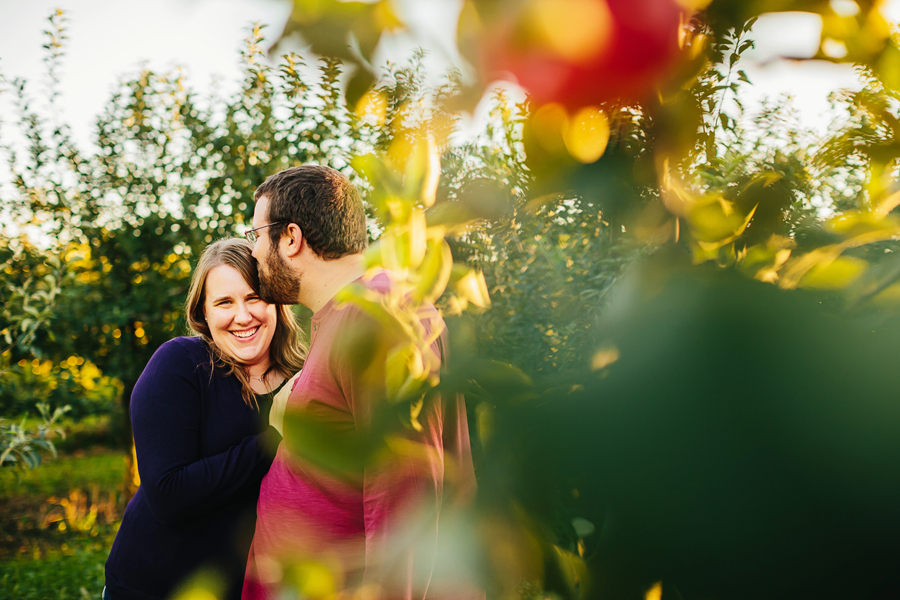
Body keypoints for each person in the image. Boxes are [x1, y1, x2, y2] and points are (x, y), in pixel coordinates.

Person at [242, 165, 477, 600]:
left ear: (291, 238)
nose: (253, 253)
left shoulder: (375, 314)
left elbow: (407, 488)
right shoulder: (343, 314)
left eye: (255, 234)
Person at [104, 238, 306, 600]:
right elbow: (169, 494)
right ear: (204, 313)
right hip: (151, 588)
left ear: (277, 302)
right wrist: (273, 437)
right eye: (224, 302)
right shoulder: (182, 364)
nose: (242, 316)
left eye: (254, 297)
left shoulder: (304, 378)